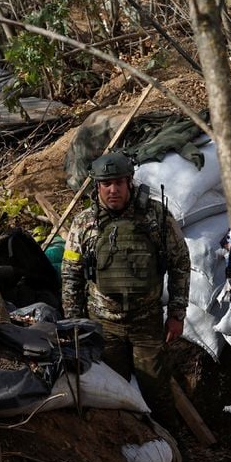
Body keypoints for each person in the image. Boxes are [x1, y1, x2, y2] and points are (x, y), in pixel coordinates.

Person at [61, 151, 191, 437]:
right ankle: (124, 449)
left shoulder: (156, 216)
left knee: (156, 390)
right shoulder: (83, 224)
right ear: (97, 186)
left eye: (118, 182)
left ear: (129, 182)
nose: (113, 189)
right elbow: (71, 273)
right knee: (112, 393)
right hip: (104, 324)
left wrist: (177, 314)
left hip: (147, 321)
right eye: (106, 183)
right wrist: (75, 323)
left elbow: (180, 263)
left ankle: (173, 448)